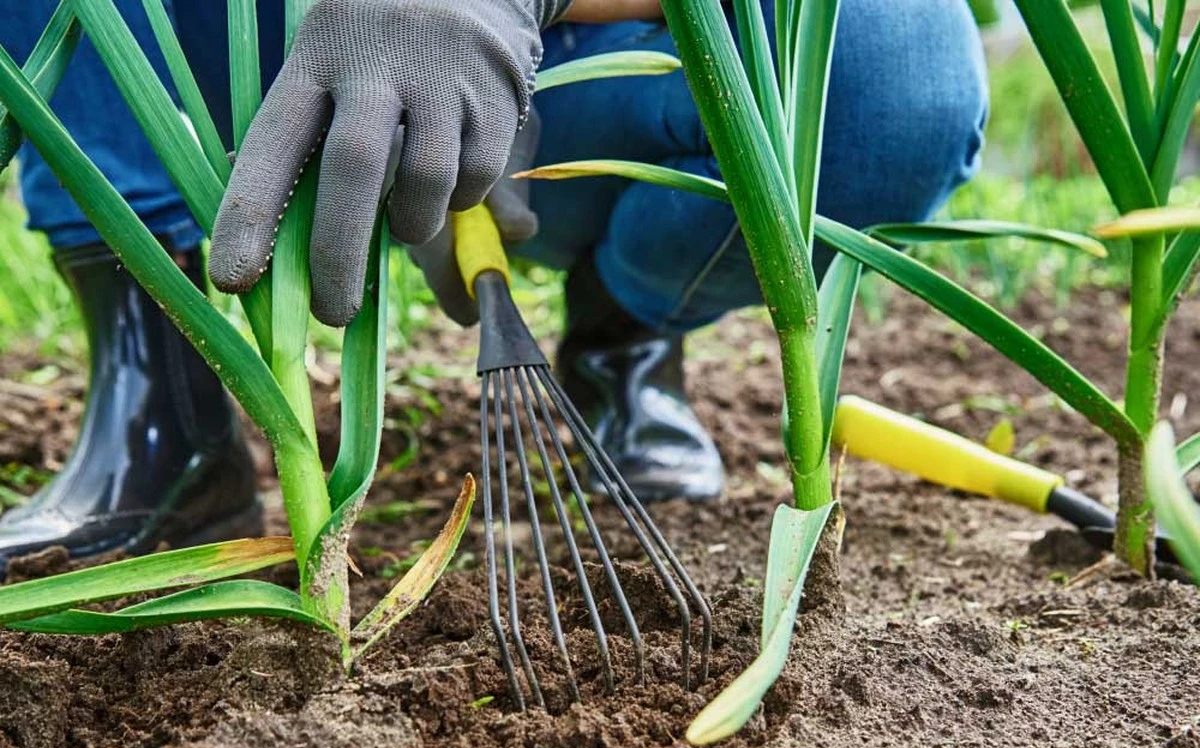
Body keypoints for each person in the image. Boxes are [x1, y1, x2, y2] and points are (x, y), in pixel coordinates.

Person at [0, 0, 988, 576]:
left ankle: (626, 328)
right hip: (265, 42)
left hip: (608, 55)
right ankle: (158, 416)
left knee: (896, 83)